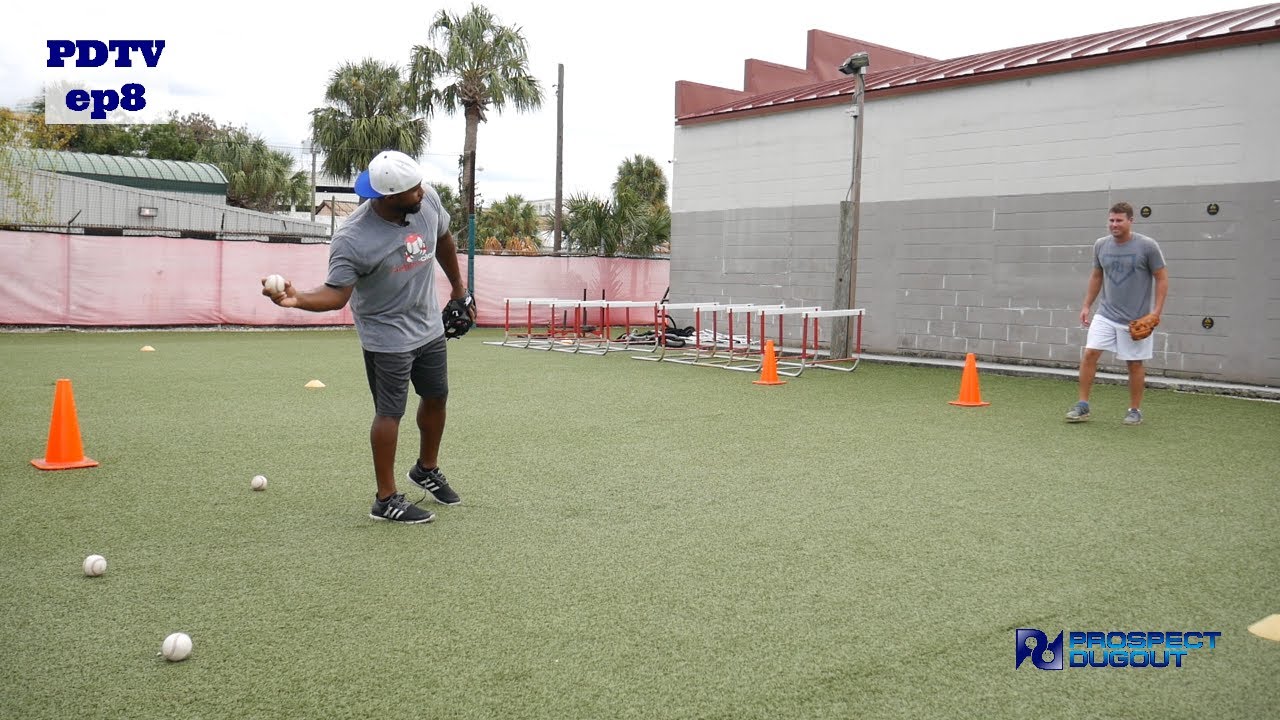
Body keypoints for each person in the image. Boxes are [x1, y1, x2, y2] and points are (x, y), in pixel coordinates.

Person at [262, 150, 474, 523]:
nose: (422, 192)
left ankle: (426, 469)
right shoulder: (352, 238)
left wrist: (459, 289)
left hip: (427, 325)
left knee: (436, 396)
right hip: (386, 335)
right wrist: (298, 299)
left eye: (420, 184)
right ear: (388, 196)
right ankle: (386, 499)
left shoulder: (427, 201)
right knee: (390, 412)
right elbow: (336, 294)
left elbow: (443, 239)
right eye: (412, 189)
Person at [1066, 201, 1169, 425]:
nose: (1114, 224)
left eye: (1119, 220)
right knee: (1090, 353)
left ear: (1130, 221)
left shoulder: (1147, 246)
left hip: (1136, 319)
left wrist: (1156, 313)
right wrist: (1086, 305)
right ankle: (1082, 405)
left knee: (1134, 364)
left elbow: (1161, 278)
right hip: (1106, 314)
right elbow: (1097, 276)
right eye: (1111, 220)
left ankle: (1135, 410)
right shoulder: (1101, 245)